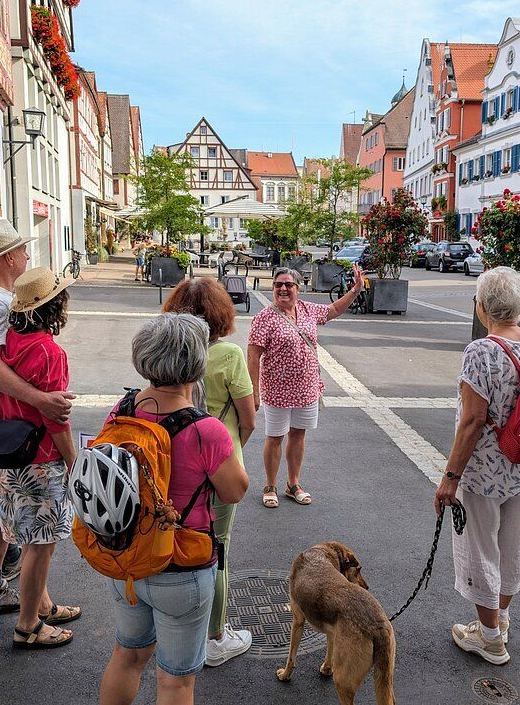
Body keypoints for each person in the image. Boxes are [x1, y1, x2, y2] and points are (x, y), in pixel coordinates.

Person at [100, 314, 249, 705]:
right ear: (196, 363)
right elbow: (234, 490)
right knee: (176, 681)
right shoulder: (205, 430)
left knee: (127, 656)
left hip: (126, 556)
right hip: (181, 565)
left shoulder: (124, 407)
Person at [434, 267, 520, 666]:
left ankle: (489, 639)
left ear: (483, 306)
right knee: (515, 546)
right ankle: (500, 620)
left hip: (486, 473)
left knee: (481, 549)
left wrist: (449, 479)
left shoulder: (481, 352)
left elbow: (472, 421)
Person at [0, 219, 74, 615]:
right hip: (10, 429)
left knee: (7, 511)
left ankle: (33, 601)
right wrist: (42, 400)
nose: (26, 255)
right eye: (22, 250)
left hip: (1, 423)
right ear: (8, 257)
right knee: (15, 518)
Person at [162, 279, 258, 667]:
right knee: (217, 546)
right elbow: (249, 419)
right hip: (219, 464)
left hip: (176, 461)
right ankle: (215, 636)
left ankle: (177, 624)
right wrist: (230, 451)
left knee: (176, 537)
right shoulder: (229, 354)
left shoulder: (171, 350)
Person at [247, 265, 366, 508]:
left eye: (288, 284)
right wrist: (254, 391)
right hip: (277, 390)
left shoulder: (307, 309)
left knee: (298, 434)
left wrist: (355, 290)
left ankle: (293, 484)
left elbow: (333, 310)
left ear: (298, 288)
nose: (283, 288)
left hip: (306, 388)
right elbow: (253, 356)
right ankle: (270, 485)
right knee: (275, 437)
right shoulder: (265, 317)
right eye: (278, 284)